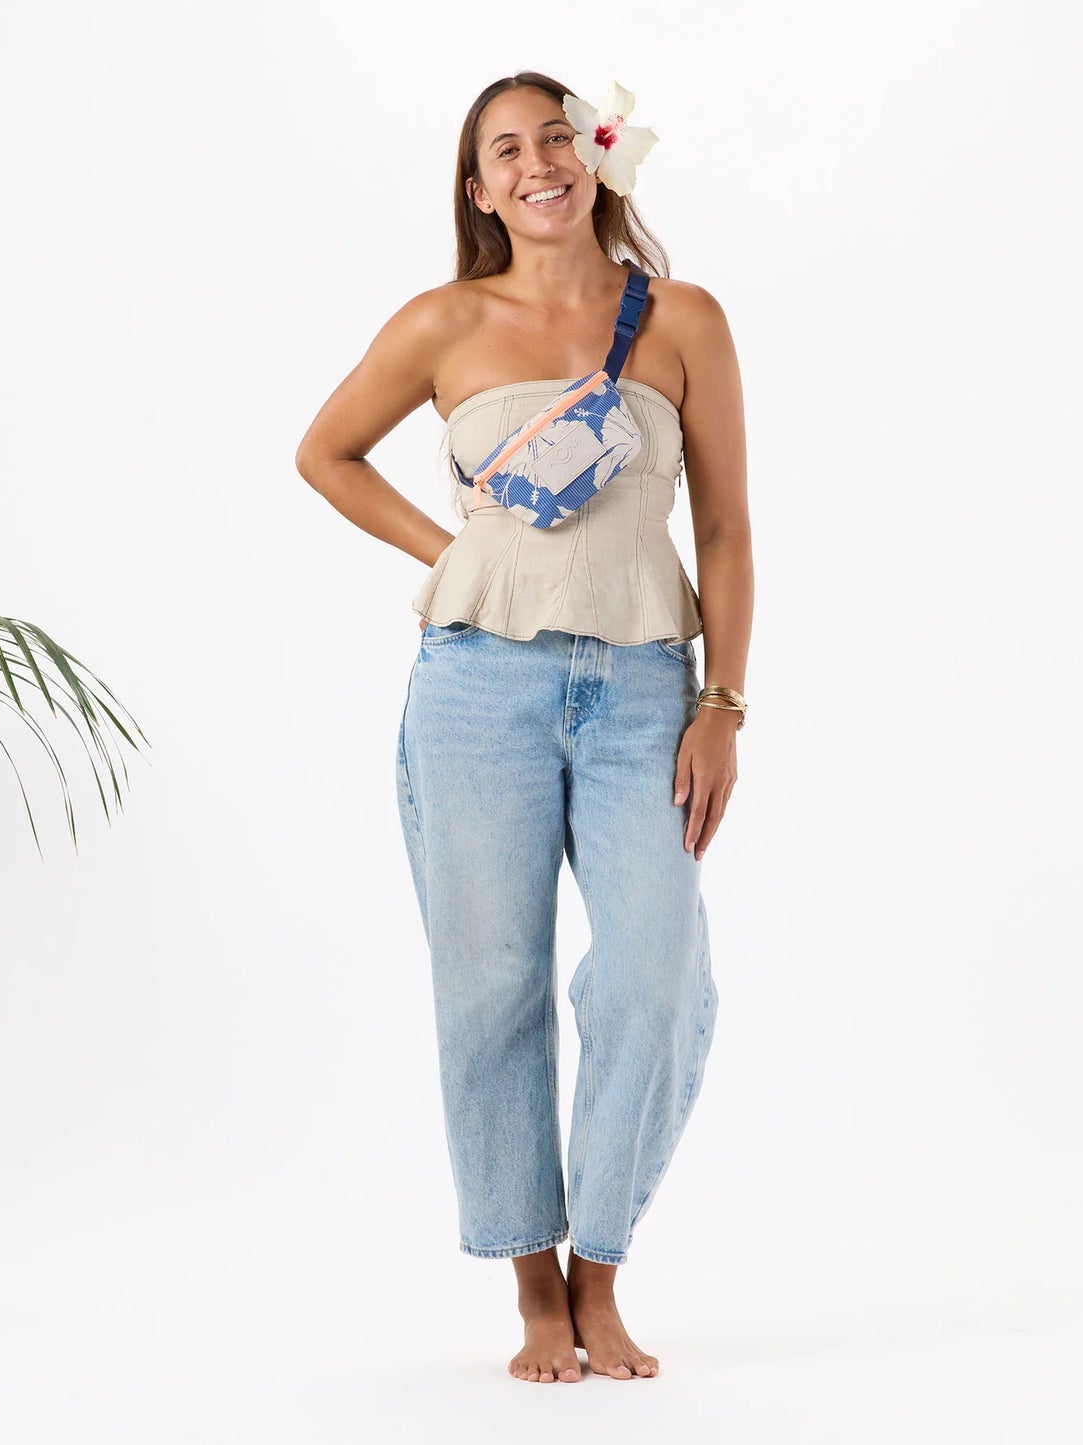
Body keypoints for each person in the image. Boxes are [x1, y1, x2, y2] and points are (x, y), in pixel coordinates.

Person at [295, 71, 753, 1384]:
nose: (537, 159)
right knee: (488, 984)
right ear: (478, 188)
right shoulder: (443, 321)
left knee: (658, 978)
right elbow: (325, 451)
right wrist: (452, 555)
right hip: (474, 691)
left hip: (641, 695)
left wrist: (721, 699)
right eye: (506, 148)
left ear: (597, 154)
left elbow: (721, 528)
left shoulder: (680, 319)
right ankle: (533, 1284)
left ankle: (602, 1264)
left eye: (557, 131)